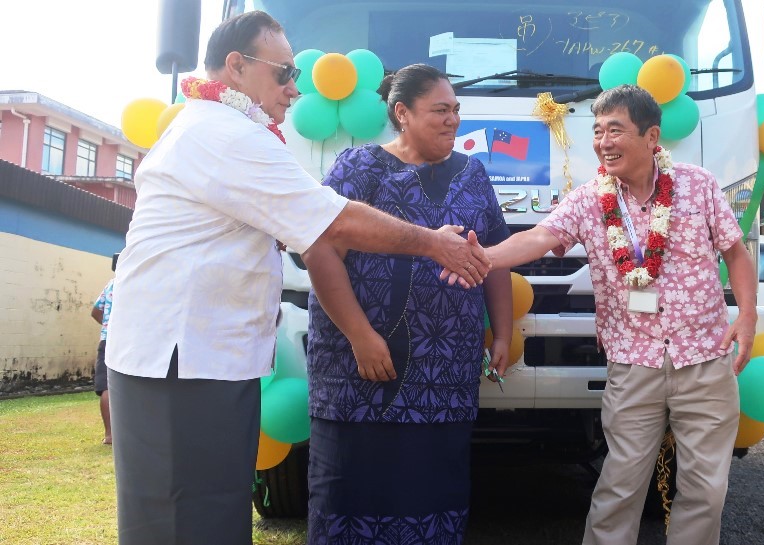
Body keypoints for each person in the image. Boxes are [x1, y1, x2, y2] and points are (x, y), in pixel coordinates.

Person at [104, 12, 490, 545]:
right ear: (236, 67)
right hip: (181, 359)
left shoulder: (226, 129)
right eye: (284, 73)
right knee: (183, 518)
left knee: (211, 511)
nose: (294, 88)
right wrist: (433, 243)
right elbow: (332, 220)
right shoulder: (224, 134)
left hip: (203, 357)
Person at [467, 85, 757, 545]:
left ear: (652, 136)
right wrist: (484, 257)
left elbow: (736, 253)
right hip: (632, 361)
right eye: (598, 131)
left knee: (705, 489)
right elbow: (540, 238)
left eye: (615, 130)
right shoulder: (588, 198)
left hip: (704, 356)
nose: (603, 141)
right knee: (619, 487)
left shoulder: (698, 184)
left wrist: (747, 315)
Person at [303, 64, 513, 545]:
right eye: (440, 110)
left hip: (444, 375)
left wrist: (501, 333)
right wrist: (361, 336)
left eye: (456, 110)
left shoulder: (474, 175)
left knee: (430, 495)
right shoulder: (356, 168)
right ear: (402, 113)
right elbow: (319, 251)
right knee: (351, 494)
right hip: (359, 370)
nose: (453, 120)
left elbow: (495, 259)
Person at [90, 274, 114, 445]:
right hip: (132, 340)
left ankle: (110, 435)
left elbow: (95, 311)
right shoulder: (142, 279)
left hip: (108, 340)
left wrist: (108, 325)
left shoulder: (112, 284)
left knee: (106, 387)